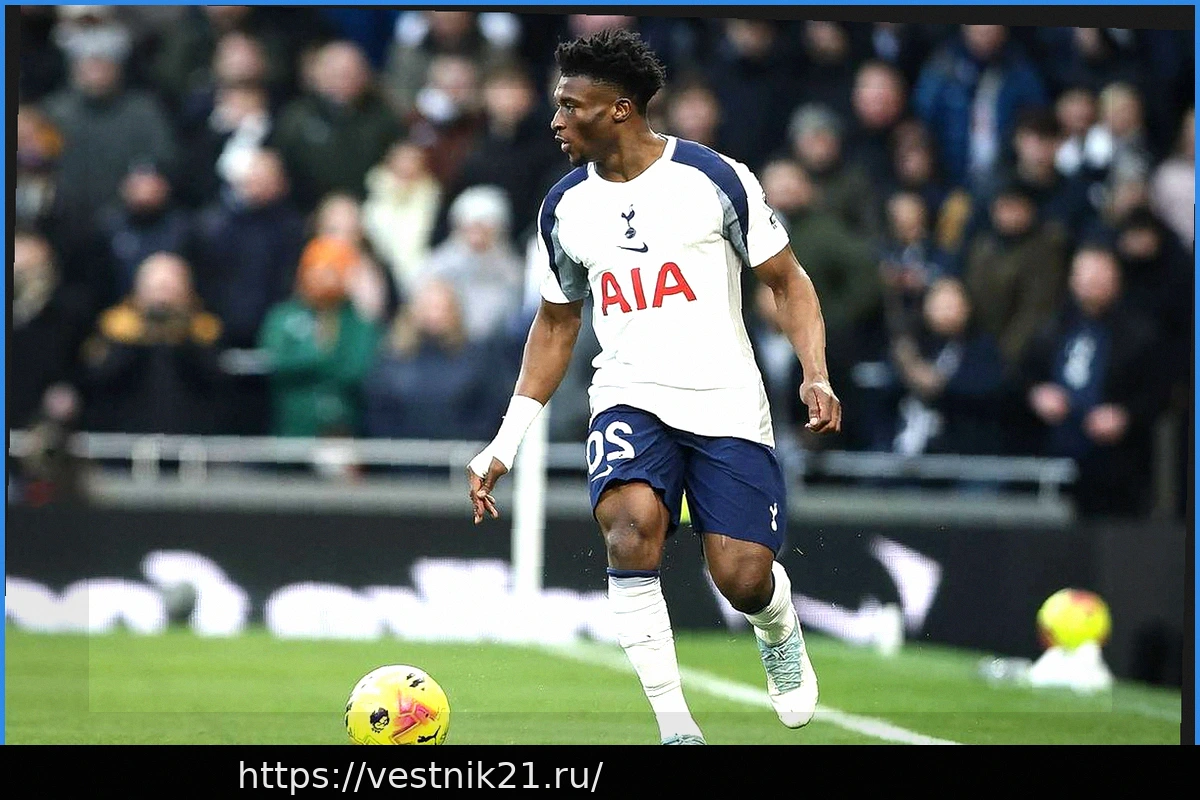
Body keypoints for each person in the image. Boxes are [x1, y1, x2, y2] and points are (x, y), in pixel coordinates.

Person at [465, 30, 842, 745]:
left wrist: (815, 372)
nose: (555, 121)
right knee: (630, 529)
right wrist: (504, 442)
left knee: (742, 577)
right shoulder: (564, 207)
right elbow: (556, 324)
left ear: (619, 109)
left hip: (725, 399)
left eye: (570, 106)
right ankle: (675, 726)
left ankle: (776, 625)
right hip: (628, 394)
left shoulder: (712, 178)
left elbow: (787, 282)